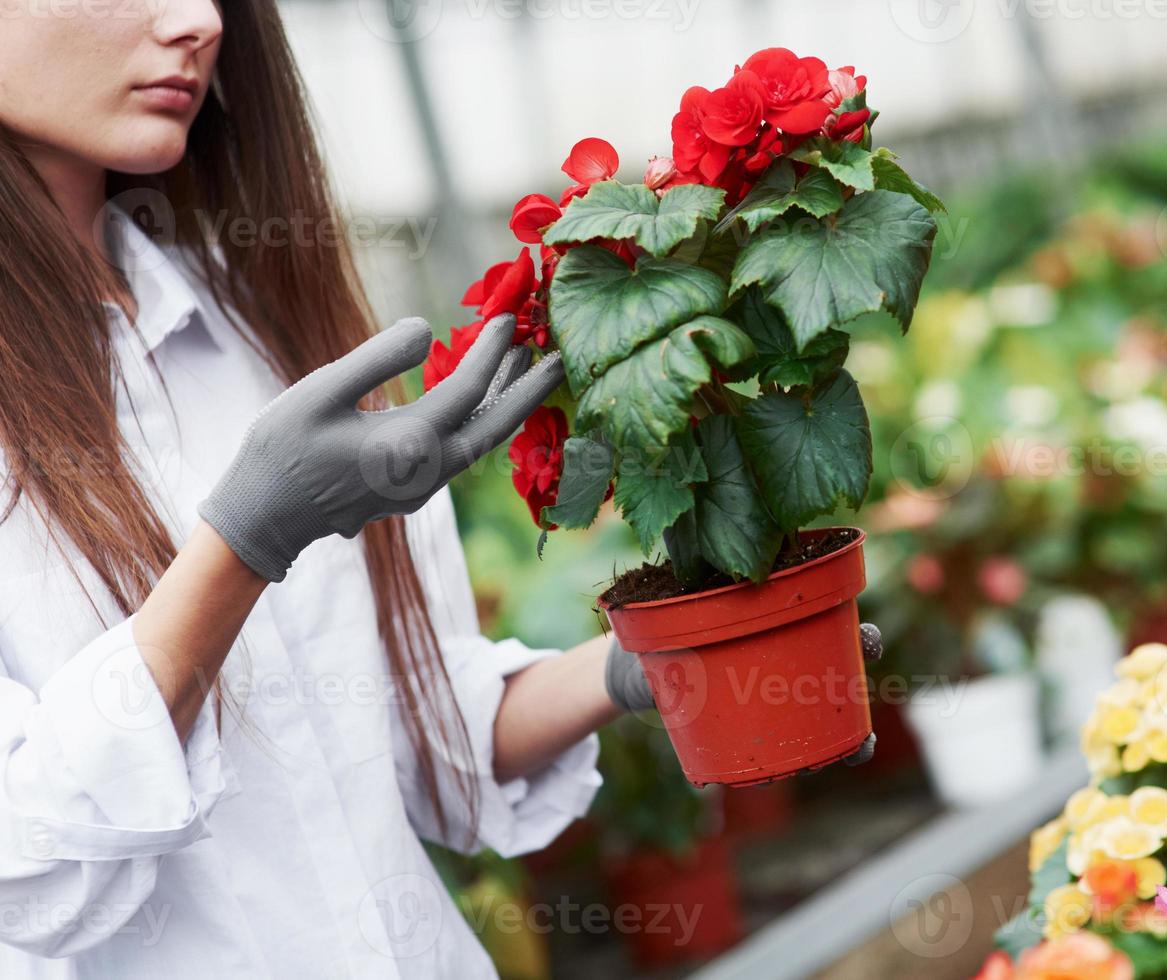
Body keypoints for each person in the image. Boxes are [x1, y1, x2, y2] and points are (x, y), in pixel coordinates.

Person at [0, 0, 876, 974]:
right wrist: (242, 543)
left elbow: (425, 745)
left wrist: (643, 663)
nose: (199, 22)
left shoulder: (252, 321)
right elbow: (25, 868)